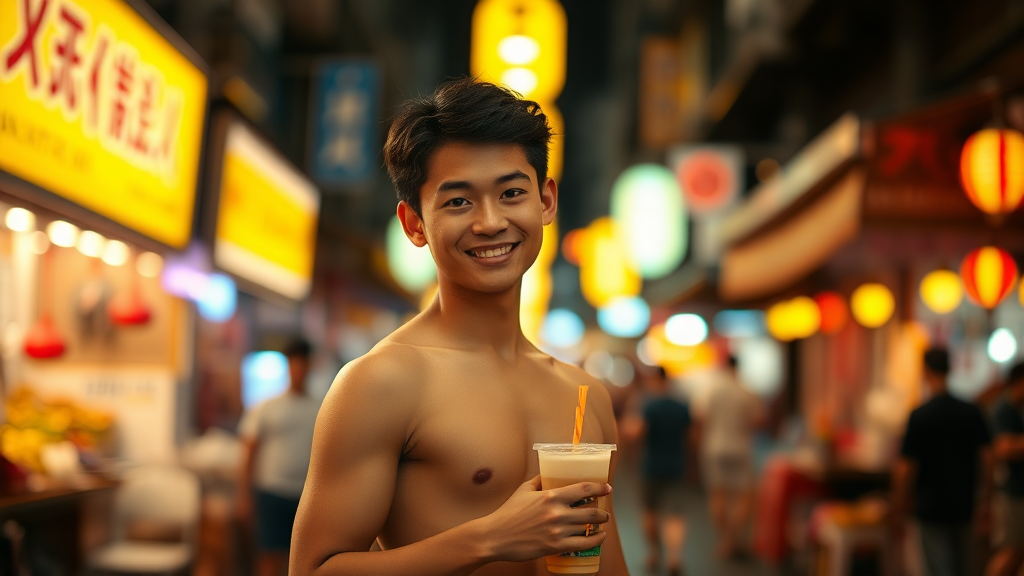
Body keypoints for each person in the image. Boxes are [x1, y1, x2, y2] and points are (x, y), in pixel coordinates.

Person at [289, 79, 628, 576]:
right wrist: (490, 538)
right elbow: (311, 570)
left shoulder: (585, 394)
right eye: (458, 201)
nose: (490, 222)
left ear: (546, 201)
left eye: (512, 193)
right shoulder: (383, 381)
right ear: (414, 224)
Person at [891, 347, 993, 576]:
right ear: (950, 369)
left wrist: (898, 503)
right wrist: (986, 498)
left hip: (930, 506)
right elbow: (988, 459)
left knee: (938, 568)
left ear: (926, 372)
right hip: (964, 504)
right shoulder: (972, 412)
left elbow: (906, 467)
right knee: (964, 567)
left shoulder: (919, 415)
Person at [238, 338, 320, 576]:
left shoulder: (319, 407)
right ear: (288, 367)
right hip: (271, 492)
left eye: (303, 366)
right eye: (294, 366)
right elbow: (249, 451)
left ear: (309, 367)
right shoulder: (267, 407)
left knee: (303, 558)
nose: (298, 372)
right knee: (270, 555)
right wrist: (244, 495)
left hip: (306, 494)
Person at [699, 355, 761, 559]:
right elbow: (758, 420)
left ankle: (724, 540)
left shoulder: (713, 391)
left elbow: (702, 418)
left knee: (718, 494)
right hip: (740, 447)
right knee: (743, 496)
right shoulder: (746, 392)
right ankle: (734, 540)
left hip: (714, 447)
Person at [637, 366, 692, 576]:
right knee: (676, 514)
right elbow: (692, 437)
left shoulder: (649, 407)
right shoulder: (681, 407)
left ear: (655, 380)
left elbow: (638, 432)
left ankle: (654, 552)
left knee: (650, 511)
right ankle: (674, 557)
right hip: (677, 465)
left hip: (651, 465)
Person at [986, 361, 1024, 576]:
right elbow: (1003, 449)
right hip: (1013, 492)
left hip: (1017, 492)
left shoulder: (1016, 409)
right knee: (1011, 551)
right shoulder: (1004, 409)